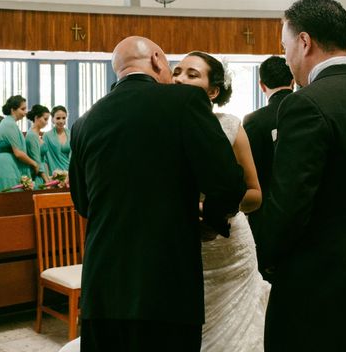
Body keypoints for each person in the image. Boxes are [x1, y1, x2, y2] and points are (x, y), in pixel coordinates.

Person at [70, 36, 245, 352]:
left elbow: (83, 203)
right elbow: (227, 181)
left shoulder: (85, 121)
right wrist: (210, 220)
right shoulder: (184, 102)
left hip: (103, 287)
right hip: (166, 284)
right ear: (156, 59)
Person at [256, 0, 346, 351]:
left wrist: (268, 260)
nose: (286, 58)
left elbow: (290, 204)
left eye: (285, 46)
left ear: (304, 42)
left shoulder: (306, 104)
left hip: (320, 284)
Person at [173, 51, 268, 351]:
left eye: (192, 74)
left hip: (230, 252)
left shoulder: (229, 126)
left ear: (213, 91)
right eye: (176, 72)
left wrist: (218, 210)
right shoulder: (158, 125)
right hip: (181, 249)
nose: (179, 79)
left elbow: (254, 194)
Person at [242, 56, 293, 242]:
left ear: (262, 85)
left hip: (265, 211)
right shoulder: (309, 111)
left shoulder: (254, 121)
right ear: (292, 81)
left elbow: (248, 170)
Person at [0, 95, 38, 192]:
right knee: (11, 196)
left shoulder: (8, 122)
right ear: (13, 110)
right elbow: (18, 153)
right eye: (22, 109)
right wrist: (34, 163)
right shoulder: (9, 124)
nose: (25, 112)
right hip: (7, 165)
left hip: (5, 162)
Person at [25, 104, 50, 187]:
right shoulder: (32, 135)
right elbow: (36, 160)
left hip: (44, 173)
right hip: (38, 175)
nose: (46, 122)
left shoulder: (37, 135)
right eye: (45, 119)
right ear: (36, 118)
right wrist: (47, 181)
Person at [43, 105, 71, 172]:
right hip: (54, 173)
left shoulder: (71, 134)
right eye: (58, 118)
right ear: (52, 119)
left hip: (70, 172)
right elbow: (45, 159)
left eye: (64, 118)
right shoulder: (47, 136)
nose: (61, 121)